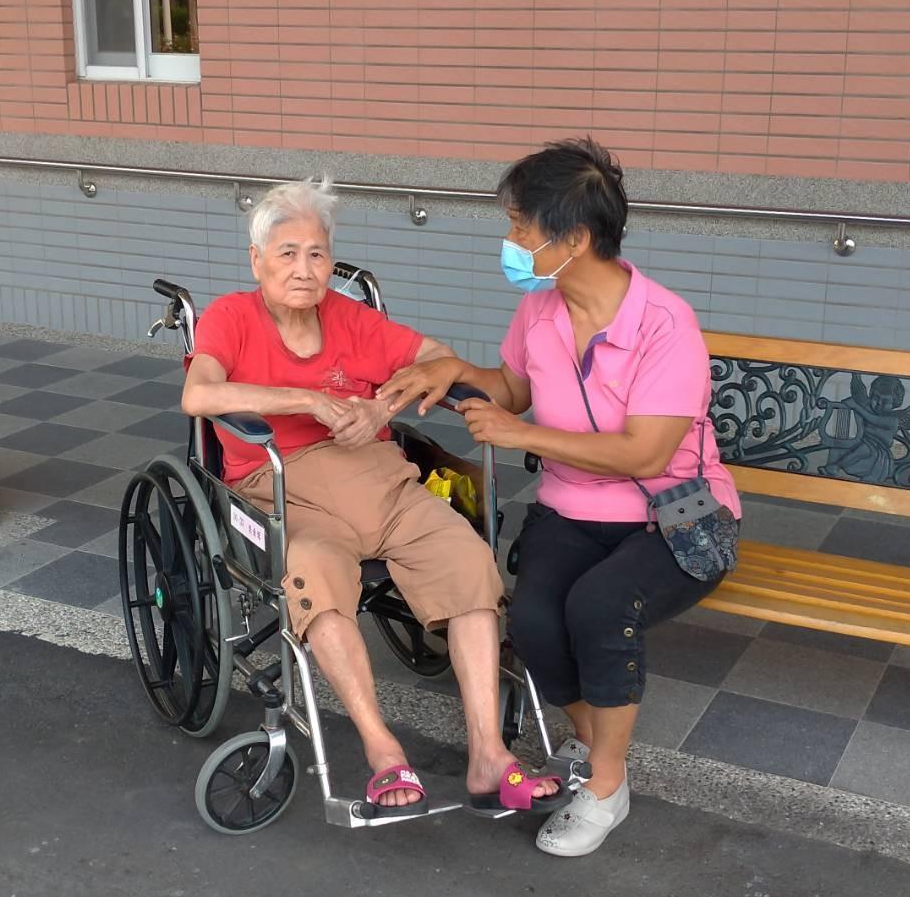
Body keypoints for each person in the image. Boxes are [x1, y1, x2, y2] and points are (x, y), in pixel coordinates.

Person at [379, 138, 741, 856]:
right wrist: (454, 377)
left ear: (573, 239)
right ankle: (594, 743)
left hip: (674, 518)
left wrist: (522, 436)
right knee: (539, 620)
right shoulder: (543, 311)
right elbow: (514, 388)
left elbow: (646, 452)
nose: (511, 242)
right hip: (572, 509)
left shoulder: (666, 326)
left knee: (600, 609)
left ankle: (604, 786)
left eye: (522, 228)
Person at [180, 176, 566, 818]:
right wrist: (305, 399)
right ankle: (384, 751)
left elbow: (437, 359)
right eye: (287, 253)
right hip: (284, 491)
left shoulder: (354, 319)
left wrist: (377, 403)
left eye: (317, 254)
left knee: (468, 559)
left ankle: (489, 755)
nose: (305, 270)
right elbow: (199, 396)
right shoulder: (232, 319)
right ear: (256, 260)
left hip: (381, 480)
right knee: (316, 578)